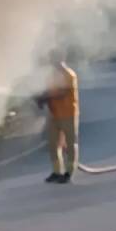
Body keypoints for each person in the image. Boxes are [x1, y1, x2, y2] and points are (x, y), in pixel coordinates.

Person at [41, 52, 79, 184]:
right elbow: (48, 91)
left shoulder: (69, 75)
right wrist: (41, 98)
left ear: (62, 60)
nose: (53, 63)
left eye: (55, 60)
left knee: (69, 144)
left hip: (68, 113)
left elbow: (62, 92)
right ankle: (56, 172)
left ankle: (69, 172)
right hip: (54, 114)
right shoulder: (51, 76)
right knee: (53, 144)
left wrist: (46, 97)